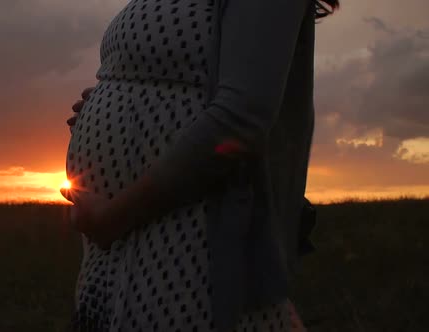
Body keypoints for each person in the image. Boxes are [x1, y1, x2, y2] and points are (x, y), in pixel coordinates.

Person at [61, 1, 338, 331]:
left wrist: (114, 217)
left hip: (187, 240)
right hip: (123, 246)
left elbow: (241, 119)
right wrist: (118, 96)